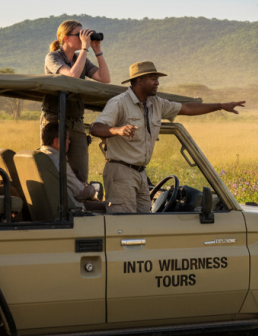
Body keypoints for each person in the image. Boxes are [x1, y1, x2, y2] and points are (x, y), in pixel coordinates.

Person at [90, 61, 245, 214]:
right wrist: (118, 130)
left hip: (141, 173)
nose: (157, 83)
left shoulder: (156, 103)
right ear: (139, 80)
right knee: (124, 224)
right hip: (121, 171)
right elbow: (95, 128)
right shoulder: (119, 103)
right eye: (153, 79)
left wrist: (220, 106)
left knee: (144, 222)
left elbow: (187, 108)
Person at [41, 19, 111, 183]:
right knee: (54, 168)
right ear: (65, 38)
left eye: (83, 35)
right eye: (78, 35)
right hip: (55, 120)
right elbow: (72, 76)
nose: (82, 38)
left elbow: (105, 78)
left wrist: (97, 51)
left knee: (80, 172)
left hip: (76, 121)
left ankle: (78, 204)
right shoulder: (53, 57)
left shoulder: (82, 58)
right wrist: (85, 48)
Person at [39, 121, 96, 208]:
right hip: (69, 212)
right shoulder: (58, 160)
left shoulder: (40, 155)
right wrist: (92, 190)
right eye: (67, 138)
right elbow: (80, 192)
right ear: (57, 141)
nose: (69, 142)